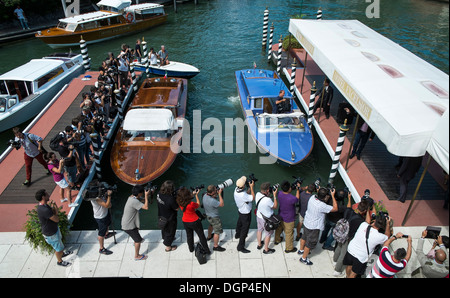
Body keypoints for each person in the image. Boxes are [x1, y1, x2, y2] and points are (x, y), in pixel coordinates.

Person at [343, 212, 392, 278]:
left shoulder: (363, 225)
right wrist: (388, 224)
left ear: (374, 221)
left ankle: (347, 276)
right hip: (361, 257)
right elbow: (387, 236)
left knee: (349, 266)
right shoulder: (379, 236)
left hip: (351, 249)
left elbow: (368, 222)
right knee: (354, 273)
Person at [298, 187, 338, 265]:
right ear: (325, 196)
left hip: (306, 222)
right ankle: (303, 258)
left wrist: (320, 190)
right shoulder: (322, 206)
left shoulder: (312, 198)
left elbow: (319, 195)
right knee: (309, 244)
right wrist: (333, 196)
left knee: (304, 237)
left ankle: (301, 250)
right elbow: (335, 208)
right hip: (314, 227)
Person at [35, 189, 72, 266]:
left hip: (53, 230)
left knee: (59, 243)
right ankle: (60, 261)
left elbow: (54, 213)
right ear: (43, 197)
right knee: (58, 249)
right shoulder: (45, 210)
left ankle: (62, 254)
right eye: (47, 194)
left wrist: (54, 208)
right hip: (51, 233)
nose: (49, 195)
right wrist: (55, 211)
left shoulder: (43, 206)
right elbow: (57, 219)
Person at [176, 187, 211, 255]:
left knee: (189, 235)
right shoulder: (191, 204)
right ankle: (207, 251)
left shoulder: (179, 201)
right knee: (201, 236)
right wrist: (196, 195)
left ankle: (191, 249)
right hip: (194, 221)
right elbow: (197, 204)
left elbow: (186, 199)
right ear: (187, 195)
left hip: (185, 221)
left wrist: (192, 194)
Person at [121, 185, 150, 261]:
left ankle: (136, 239)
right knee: (138, 241)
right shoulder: (134, 201)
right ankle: (137, 256)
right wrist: (146, 196)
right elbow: (146, 207)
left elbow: (141, 201)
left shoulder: (131, 197)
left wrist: (148, 195)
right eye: (142, 192)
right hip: (129, 226)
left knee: (136, 233)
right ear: (140, 193)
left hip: (128, 222)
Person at [274, 180, 300, 253]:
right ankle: (289, 248)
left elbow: (286, 194)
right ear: (289, 188)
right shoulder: (292, 198)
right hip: (289, 218)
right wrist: (297, 190)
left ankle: (277, 240)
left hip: (280, 215)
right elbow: (297, 198)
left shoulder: (279, 194)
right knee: (289, 234)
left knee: (279, 229)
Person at [255, 182, 278, 254]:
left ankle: (259, 244)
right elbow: (275, 206)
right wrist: (274, 196)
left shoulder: (257, 194)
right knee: (268, 234)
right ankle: (266, 249)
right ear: (267, 190)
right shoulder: (268, 200)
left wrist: (268, 195)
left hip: (259, 216)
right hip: (266, 220)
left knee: (259, 230)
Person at [234, 176, 255, 253]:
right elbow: (252, 198)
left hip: (240, 210)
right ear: (243, 186)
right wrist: (252, 188)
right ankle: (240, 247)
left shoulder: (236, 190)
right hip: (246, 213)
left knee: (239, 222)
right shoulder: (243, 195)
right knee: (244, 230)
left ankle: (237, 234)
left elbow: (246, 194)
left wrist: (249, 188)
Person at [156, 180, 179, 252]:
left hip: (161, 215)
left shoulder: (159, 194)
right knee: (170, 231)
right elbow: (177, 208)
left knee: (164, 228)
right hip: (170, 218)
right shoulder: (170, 199)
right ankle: (168, 247)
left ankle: (164, 238)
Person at [91, 189, 114, 255]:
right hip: (100, 217)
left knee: (107, 224)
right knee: (101, 233)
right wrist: (109, 196)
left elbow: (109, 205)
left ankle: (106, 234)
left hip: (105, 213)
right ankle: (101, 248)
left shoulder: (100, 196)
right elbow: (107, 205)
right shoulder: (96, 199)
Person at [203, 185, 226, 252]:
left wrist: (216, 193)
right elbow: (222, 204)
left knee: (211, 225)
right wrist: (219, 194)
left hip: (208, 215)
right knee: (217, 232)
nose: (216, 190)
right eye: (215, 190)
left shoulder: (205, 195)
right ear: (212, 192)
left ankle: (209, 236)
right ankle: (215, 246)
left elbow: (212, 196)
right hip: (214, 217)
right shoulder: (212, 201)